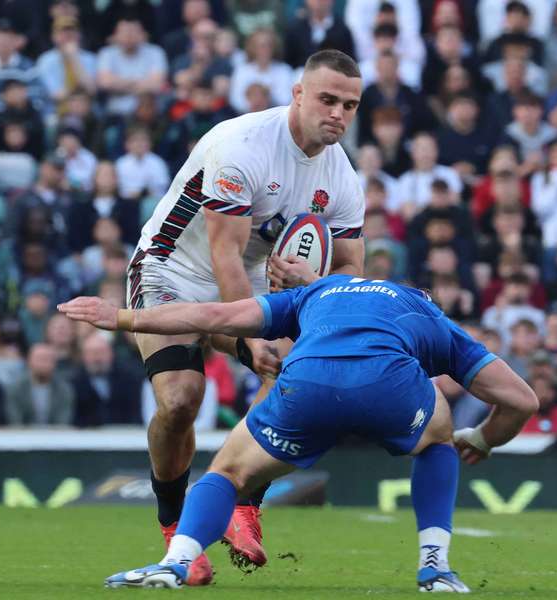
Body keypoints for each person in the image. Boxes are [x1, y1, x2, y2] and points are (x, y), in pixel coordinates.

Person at [58, 273, 538, 592]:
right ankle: (435, 567)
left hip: (308, 382)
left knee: (227, 471)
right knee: (437, 435)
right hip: (386, 389)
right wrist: (482, 438)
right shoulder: (427, 313)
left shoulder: (314, 294)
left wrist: (121, 317)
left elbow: (214, 317)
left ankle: (176, 562)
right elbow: (521, 401)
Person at [118, 49, 366, 585]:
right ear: (297, 94)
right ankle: (174, 526)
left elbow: (349, 274)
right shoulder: (242, 145)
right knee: (181, 399)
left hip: (251, 274)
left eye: (349, 104)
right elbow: (222, 253)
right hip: (172, 270)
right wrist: (253, 336)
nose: (338, 114)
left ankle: (243, 502)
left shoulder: (343, 176)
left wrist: (307, 288)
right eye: (327, 99)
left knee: (286, 371)